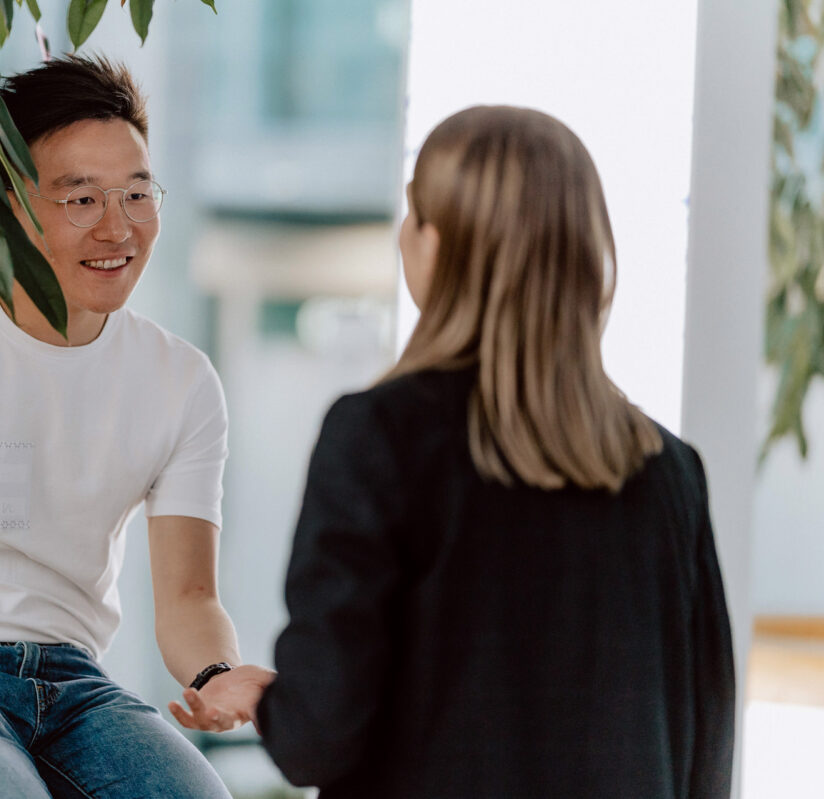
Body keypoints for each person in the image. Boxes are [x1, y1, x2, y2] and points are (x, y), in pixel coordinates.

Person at [253, 106, 736, 798]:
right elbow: (705, 753)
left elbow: (317, 737)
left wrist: (271, 700)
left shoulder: (380, 436)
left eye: (414, 214)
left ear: (441, 245)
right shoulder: (671, 472)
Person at [0, 55, 273, 798]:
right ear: (9, 202)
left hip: (73, 682)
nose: (118, 225)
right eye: (82, 198)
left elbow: (190, 596)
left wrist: (217, 675)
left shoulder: (182, 380)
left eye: (137, 192)